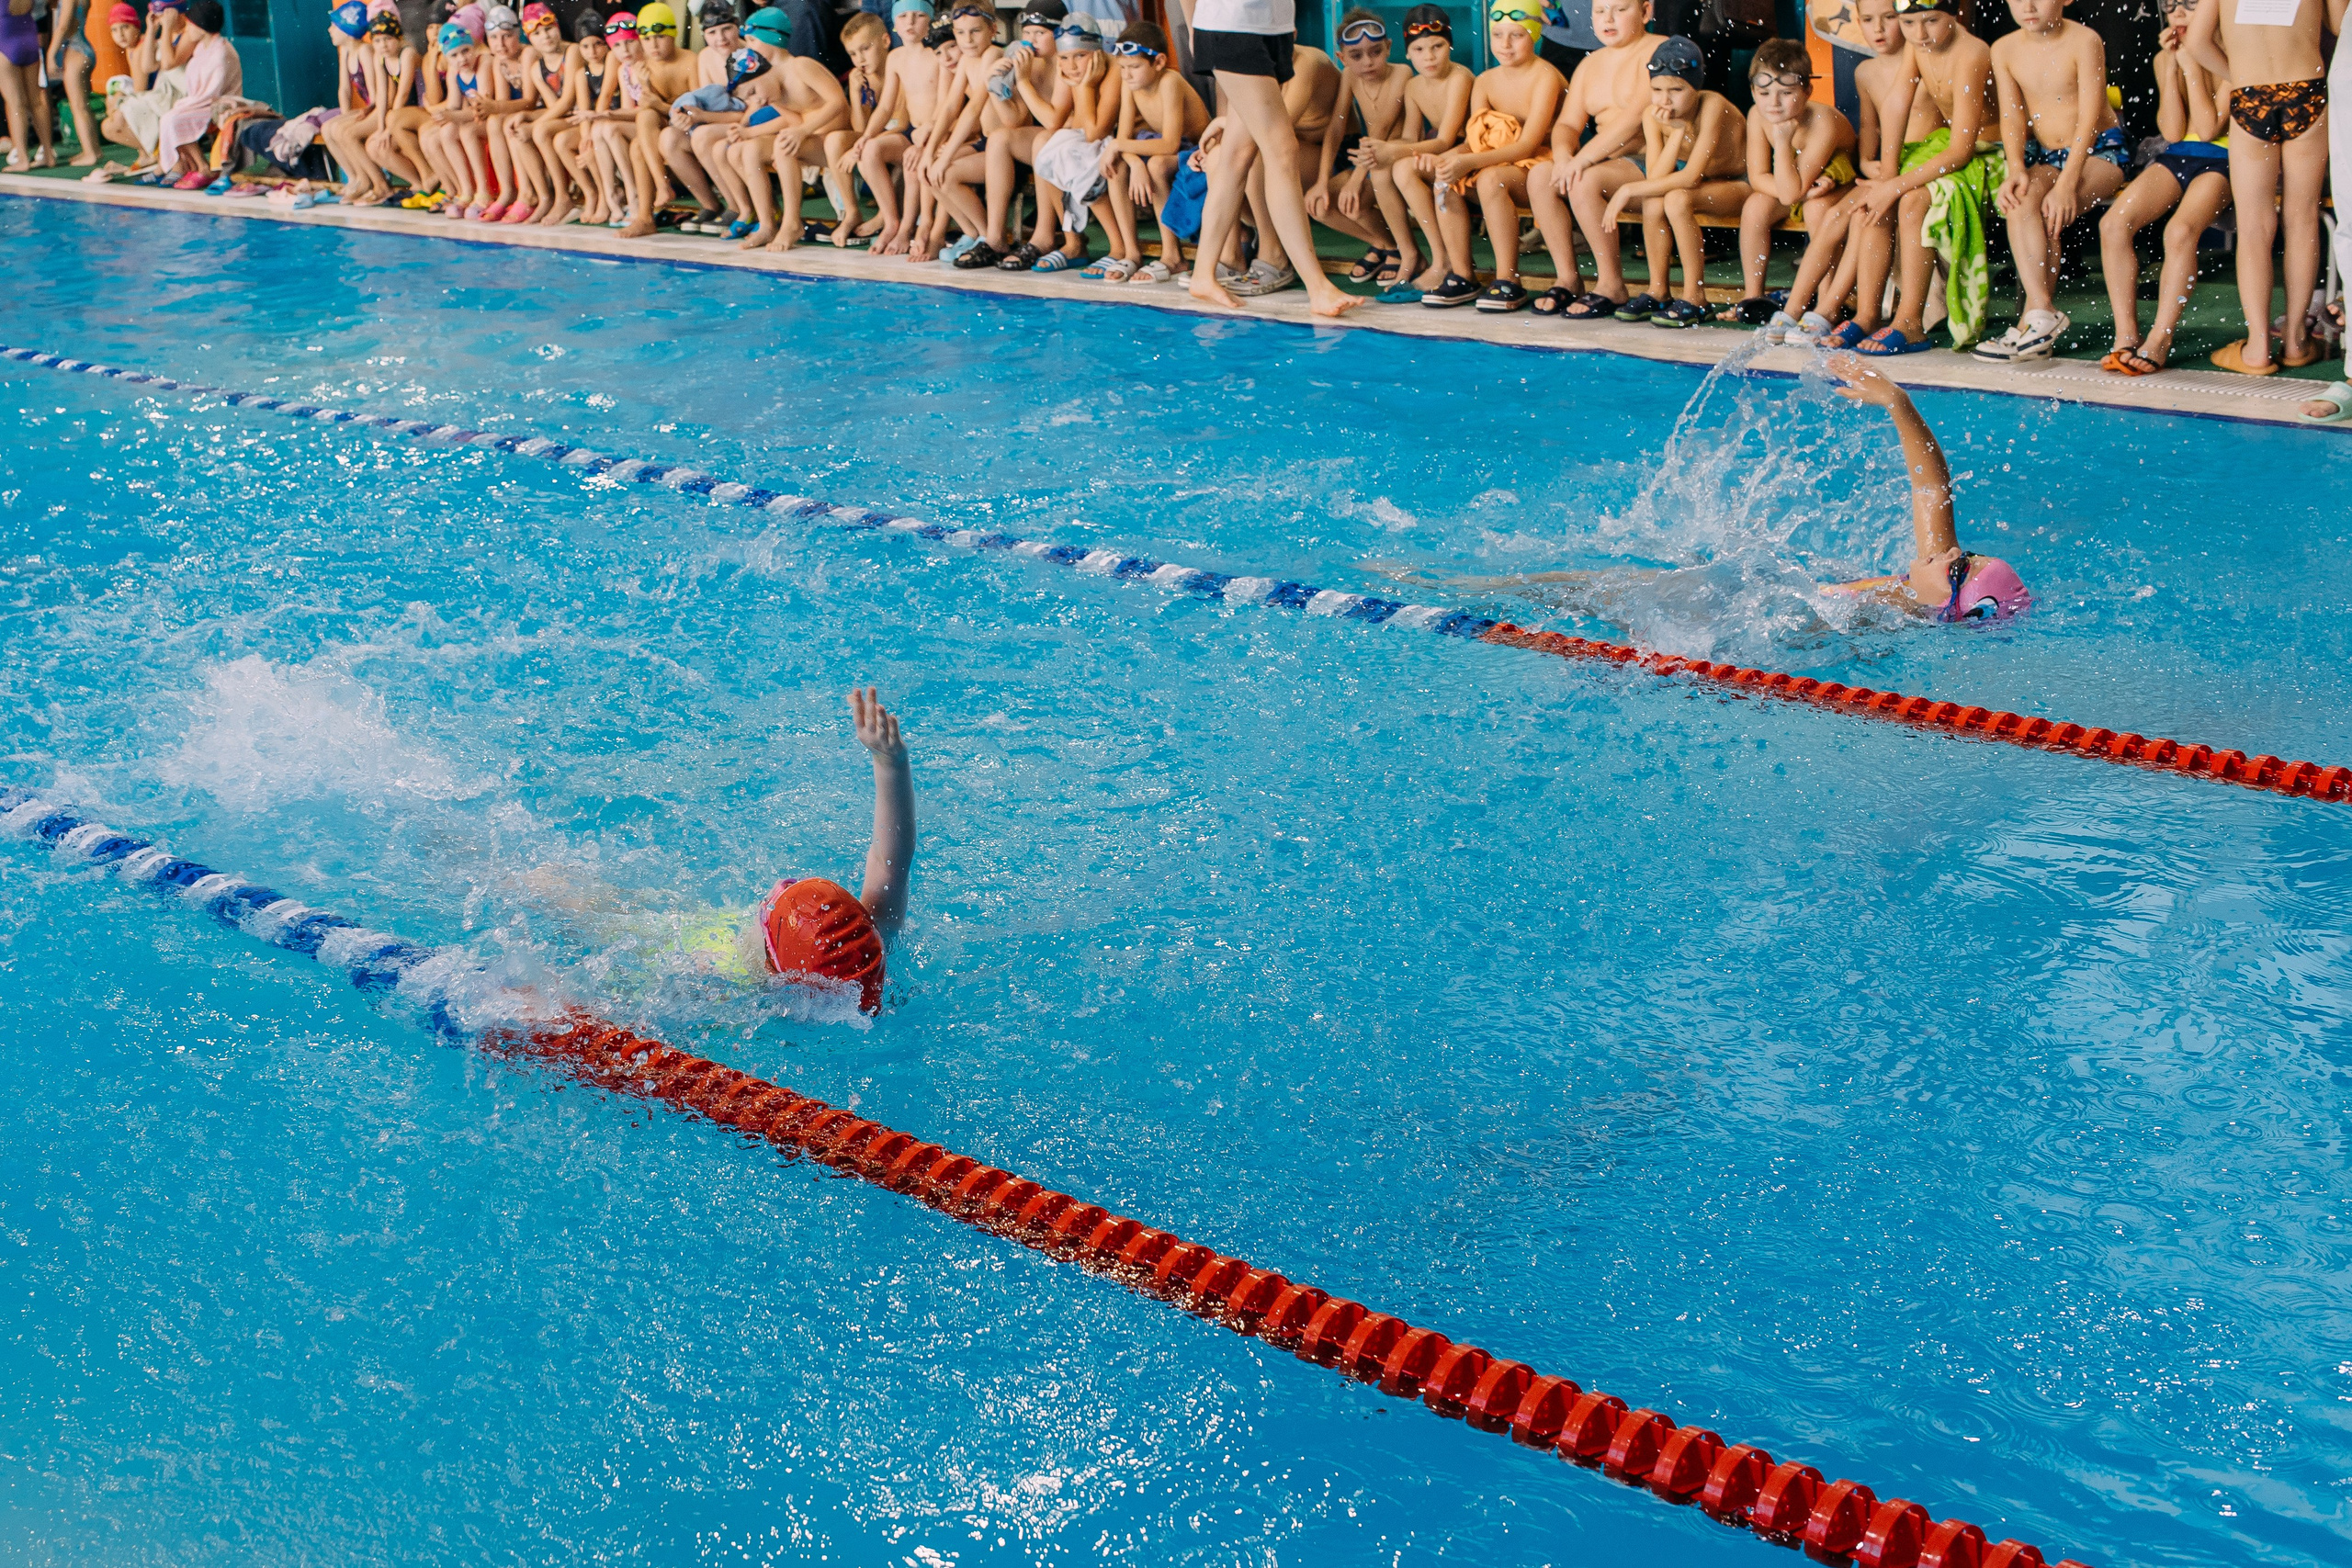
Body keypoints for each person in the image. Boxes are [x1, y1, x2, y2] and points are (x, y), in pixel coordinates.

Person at [1413, 355, 2030, 628]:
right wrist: (1898, 402)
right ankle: (1453, 585)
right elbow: (1931, 485)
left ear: (1952, 611)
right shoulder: (1918, 587)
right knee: (1580, 585)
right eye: (1965, 551)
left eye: (1960, 570)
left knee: (1580, 588)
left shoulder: (1883, 619)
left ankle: (1433, 585)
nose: (1952, 552)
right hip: (1736, 591)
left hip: (1716, 614)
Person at [1183, 0, 1365, 316]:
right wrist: (1191, 27)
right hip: (1232, 26)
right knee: (1281, 150)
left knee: (1237, 155)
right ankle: (1317, 286)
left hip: (1272, 24)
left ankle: (1202, 274)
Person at [1768, 0, 1931, 345]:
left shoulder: (1924, 62)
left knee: (1860, 213)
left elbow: (1937, 132)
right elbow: (1868, 147)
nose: (1879, 29)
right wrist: (1874, 169)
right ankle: (1792, 311)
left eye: (1888, 19)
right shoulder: (1865, 73)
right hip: (1885, 169)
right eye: (1868, 20)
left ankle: (1828, 310)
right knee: (1836, 215)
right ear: (1857, 21)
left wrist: (1891, 176)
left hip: (1918, 168)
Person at [1976, 0, 2125, 362]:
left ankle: (2033, 323)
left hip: (2098, 151)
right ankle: (2041, 315)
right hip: (2045, 155)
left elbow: (2090, 116)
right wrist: (2015, 170)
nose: (2028, 6)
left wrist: (2066, 185)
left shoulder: (2084, 40)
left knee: (2046, 212)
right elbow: (2012, 117)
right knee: (2020, 201)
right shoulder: (2004, 48)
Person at [1851, 0, 2001, 356]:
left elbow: (1963, 149)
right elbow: (1896, 103)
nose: (1919, 34)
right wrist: (1887, 176)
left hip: (1992, 152)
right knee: (1874, 202)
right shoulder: (1919, 46)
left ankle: (1910, 323)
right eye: (1909, 23)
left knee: (1912, 199)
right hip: (1949, 147)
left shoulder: (1972, 53)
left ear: (1954, 14)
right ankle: (1868, 314)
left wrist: (1894, 186)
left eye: (1932, 21)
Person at [2185, 0, 2327, 375]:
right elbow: (2343, 25)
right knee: (2302, 218)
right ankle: (2296, 341)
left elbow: (2197, 42)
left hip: (2252, 95)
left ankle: (2258, 348)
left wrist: (2241, 74)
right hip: (2306, 91)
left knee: (2253, 228)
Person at [2094, 0, 2230, 376]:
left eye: (2189, 6)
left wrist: (2191, 66)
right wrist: (2171, 69)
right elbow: (2172, 132)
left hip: (2227, 160)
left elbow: (2209, 129)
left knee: (2179, 231)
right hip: (2178, 154)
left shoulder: (2233, 55)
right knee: (2113, 224)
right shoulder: (2164, 58)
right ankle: (2126, 334)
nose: (2178, 16)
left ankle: (2160, 337)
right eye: (2171, 8)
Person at [1418, 0, 1561, 311]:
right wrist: (1450, 159)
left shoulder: (1545, 76)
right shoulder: (1485, 81)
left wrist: (1467, 162)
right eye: (1498, 35)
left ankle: (1508, 279)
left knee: (1490, 179)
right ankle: (1463, 275)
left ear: (1534, 35)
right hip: (1495, 163)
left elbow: (1528, 145)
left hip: (1537, 168)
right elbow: (1475, 140)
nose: (1505, 45)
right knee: (1445, 181)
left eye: (1516, 35)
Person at [1596, 35, 1746, 326]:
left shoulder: (1713, 105)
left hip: (1740, 184)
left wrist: (1627, 189)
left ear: (1696, 86)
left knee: (1676, 199)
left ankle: (1696, 297)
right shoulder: (1654, 115)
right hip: (1704, 184)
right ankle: (1658, 291)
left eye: (1676, 90)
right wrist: (1676, 134)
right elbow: (1656, 177)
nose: (1665, 99)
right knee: (1654, 201)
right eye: (1657, 90)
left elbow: (1690, 177)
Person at [1531, 0, 1665, 318]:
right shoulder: (1590, 64)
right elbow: (1566, 124)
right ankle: (1568, 277)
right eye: (1601, 11)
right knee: (1540, 175)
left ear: (1646, 11)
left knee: (1584, 179)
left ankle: (1611, 284)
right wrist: (1564, 156)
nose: (1609, 19)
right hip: (1609, 164)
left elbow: (1634, 119)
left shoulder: (1658, 51)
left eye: (1620, 10)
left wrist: (1582, 161)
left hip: (1653, 162)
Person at [1723, 38, 1854, 324]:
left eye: (1786, 92)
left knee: (1817, 209)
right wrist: (1796, 193)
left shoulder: (1823, 122)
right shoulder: (1757, 115)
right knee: (1755, 206)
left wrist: (1782, 145)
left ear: (1807, 90)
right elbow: (1758, 178)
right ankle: (1753, 296)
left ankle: (1827, 300)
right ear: (1753, 91)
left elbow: (1793, 191)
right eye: (1765, 92)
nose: (1774, 103)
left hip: (1839, 182)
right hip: (1800, 184)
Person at [1368, 5, 1471, 301]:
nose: (1429, 56)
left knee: (1401, 167)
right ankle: (1415, 254)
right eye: (1419, 48)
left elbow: (1445, 139)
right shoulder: (1413, 86)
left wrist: (1393, 151)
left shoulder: (1459, 79)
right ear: (1408, 54)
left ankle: (1443, 261)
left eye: (1438, 46)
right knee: (1383, 170)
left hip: (1465, 153)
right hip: (1440, 153)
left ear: (1450, 44)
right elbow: (1411, 136)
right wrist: (1383, 150)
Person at [1100, 21, 1207, 282]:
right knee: (1117, 167)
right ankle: (1131, 252)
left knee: (1156, 164)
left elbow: (1170, 144)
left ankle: (1173, 256)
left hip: (1197, 149)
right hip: (1164, 146)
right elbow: (1123, 138)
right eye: (1122, 67)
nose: (1126, 75)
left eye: (1134, 67)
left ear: (1159, 62)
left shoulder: (1170, 81)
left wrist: (1120, 145)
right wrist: (1134, 162)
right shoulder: (1129, 85)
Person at [854, 0, 948, 256]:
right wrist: (867, 136)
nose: (910, 22)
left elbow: (946, 104)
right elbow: (885, 108)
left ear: (930, 21)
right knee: (870, 150)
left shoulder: (938, 55)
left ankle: (909, 226)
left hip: (939, 132)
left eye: (918, 16)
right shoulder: (896, 58)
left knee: (912, 160)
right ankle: (891, 220)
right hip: (914, 133)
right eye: (904, 16)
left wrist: (926, 137)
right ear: (894, 24)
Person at [657, 0, 741, 232]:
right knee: (669, 138)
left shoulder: (751, 56)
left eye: (726, 29)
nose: (720, 38)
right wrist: (684, 116)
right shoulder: (705, 57)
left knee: (702, 135)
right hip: (717, 123)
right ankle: (710, 204)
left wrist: (701, 117)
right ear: (704, 35)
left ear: (737, 26)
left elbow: (748, 115)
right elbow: (702, 101)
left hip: (744, 124)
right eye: (712, 32)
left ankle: (737, 206)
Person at [153, 0, 236, 180]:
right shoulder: (202, 47)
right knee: (171, 116)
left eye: (190, 25)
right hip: (205, 101)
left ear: (201, 27)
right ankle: (194, 165)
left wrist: (188, 104)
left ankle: (201, 167)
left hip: (221, 103)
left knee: (173, 118)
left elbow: (212, 92)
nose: (187, 30)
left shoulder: (220, 52)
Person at [45, 0, 103, 165]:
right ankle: (93, 150)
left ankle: (90, 154)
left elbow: (63, 26)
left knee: (78, 106)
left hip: (75, 51)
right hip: (83, 47)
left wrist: (51, 54)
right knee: (83, 106)